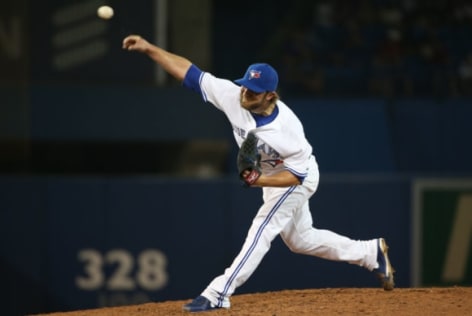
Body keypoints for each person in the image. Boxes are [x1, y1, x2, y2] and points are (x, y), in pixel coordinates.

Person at [122, 34, 395, 313]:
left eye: (253, 91)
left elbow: (297, 177)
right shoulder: (233, 95)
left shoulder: (288, 130)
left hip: (295, 177)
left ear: (270, 95)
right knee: (301, 240)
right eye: (244, 86)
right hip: (271, 176)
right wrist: (149, 49)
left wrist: (260, 180)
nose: (244, 93)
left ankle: (218, 292)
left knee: (262, 229)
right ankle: (368, 252)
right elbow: (190, 73)